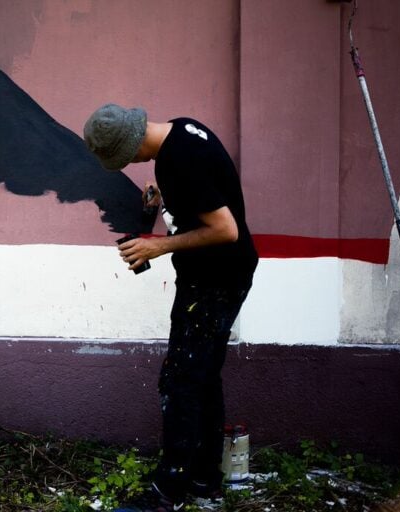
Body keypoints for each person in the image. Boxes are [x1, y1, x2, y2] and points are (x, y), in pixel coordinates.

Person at [83, 104, 258, 509]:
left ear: (131, 143)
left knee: (179, 383)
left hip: (213, 283)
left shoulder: (180, 159)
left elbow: (225, 229)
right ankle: (203, 479)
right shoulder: (183, 130)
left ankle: (168, 494)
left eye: (126, 157)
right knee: (202, 377)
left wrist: (157, 245)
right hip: (221, 276)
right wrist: (162, 203)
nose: (132, 162)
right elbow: (205, 196)